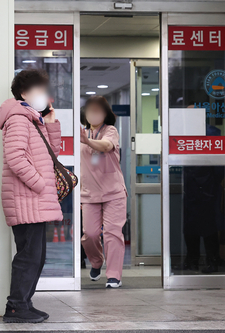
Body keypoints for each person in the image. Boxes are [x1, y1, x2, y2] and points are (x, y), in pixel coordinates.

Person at [0, 69, 62, 323]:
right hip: (27, 198)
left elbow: (51, 154)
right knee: (29, 255)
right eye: (39, 90)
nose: (43, 95)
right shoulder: (18, 119)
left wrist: (52, 124)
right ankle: (15, 307)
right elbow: (15, 158)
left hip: (34, 200)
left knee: (36, 255)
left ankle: (24, 303)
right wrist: (39, 184)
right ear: (24, 93)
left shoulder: (33, 119)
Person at [79, 96, 127, 288]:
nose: (94, 114)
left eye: (98, 111)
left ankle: (114, 275)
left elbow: (107, 146)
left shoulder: (110, 131)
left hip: (113, 192)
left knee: (112, 233)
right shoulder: (82, 133)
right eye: (91, 111)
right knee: (89, 234)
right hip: (89, 193)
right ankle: (97, 261)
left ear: (106, 114)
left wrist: (88, 142)